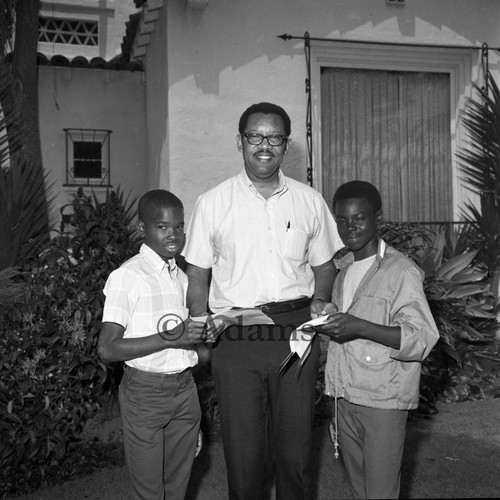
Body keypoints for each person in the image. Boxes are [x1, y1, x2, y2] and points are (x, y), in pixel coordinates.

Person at [183, 102, 343, 500]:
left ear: (286, 144)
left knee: (294, 452)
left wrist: (321, 298)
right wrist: (202, 329)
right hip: (236, 338)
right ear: (240, 141)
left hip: (295, 332)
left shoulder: (309, 201)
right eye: (255, 136)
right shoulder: (213, 203)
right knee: (244, 453)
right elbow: (198, 274)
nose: (264, 145)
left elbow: (325, 266)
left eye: (274, 137)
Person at [315, 180, 439, 499]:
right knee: (360, 491)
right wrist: (334, 407)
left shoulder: (401, 271)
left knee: (381, 493)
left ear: (378, 219)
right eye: (342, 220)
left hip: (382, 402)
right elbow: (340, 348)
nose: (350, 227)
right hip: (346, 400)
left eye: (359, 218)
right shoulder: (343, 272)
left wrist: (359, 326)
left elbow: (422, 337)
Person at [97, 189, 222, 500]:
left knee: (177, 488)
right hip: (145, 394)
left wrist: (203, 339)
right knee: (151, 492)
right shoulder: (128, 276)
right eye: (163, 227)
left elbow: (191, 347)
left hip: (185, 391)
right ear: (143, 229)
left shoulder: (180, 277)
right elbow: (108, 348)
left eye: (179, 226)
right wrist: (172, 337)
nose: (174, 235)